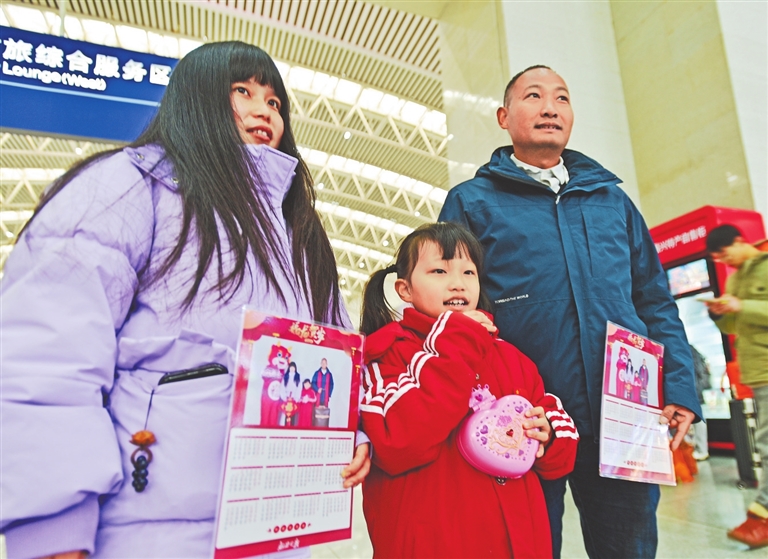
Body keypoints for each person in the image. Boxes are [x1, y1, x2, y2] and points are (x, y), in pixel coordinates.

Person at [0, 41, 370, 559]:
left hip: (274, 528)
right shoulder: (128, 187)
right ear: (196, 98)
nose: (265, 110)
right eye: (242, 91)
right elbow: (50, 356)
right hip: (145, 533)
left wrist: (350, 433)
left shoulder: (298, 233)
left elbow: (333, 355)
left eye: (274, 101)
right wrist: (54, 524)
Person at [439, 65, 702, 559]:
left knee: (629, 548)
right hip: (521, 418)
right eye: (533, 96)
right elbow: (451, 305)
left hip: (623, 414)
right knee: (527, 548)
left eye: (561, 98)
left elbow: (653, 299)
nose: (550, 108)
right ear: (503, 116)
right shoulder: (472, 202)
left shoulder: (612, 202)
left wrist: (679, 387)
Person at [359, 222, 579, 558]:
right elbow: (396, 442)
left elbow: (560, 449)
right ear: (405, 289)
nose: (458, 283)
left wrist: (546, 434)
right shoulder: (387, 353)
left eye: (468, 272)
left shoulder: (512, 358)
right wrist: (458, 339)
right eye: (439, 271)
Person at [704, 224, 768, 548]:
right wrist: (720, 315)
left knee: (767, 444)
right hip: (756, 373)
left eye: (725, 253)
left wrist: (742, 306)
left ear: (740, 241)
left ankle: (763, 516)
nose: (724, 261)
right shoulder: (734, 279)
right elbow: (734, 327)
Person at [280, 362, 303, 426]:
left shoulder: (298, 376)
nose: (292, 369)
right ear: (289, 368)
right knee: (287, 414)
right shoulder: (285, 376)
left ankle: (292, 427)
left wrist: (296, 397)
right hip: (287, 398)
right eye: (291, 367)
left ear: (295, 368)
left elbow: (299, 388)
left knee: (293, 414)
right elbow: (282, 387)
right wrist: (284, 396)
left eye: (293, 367)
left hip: (294, 398)